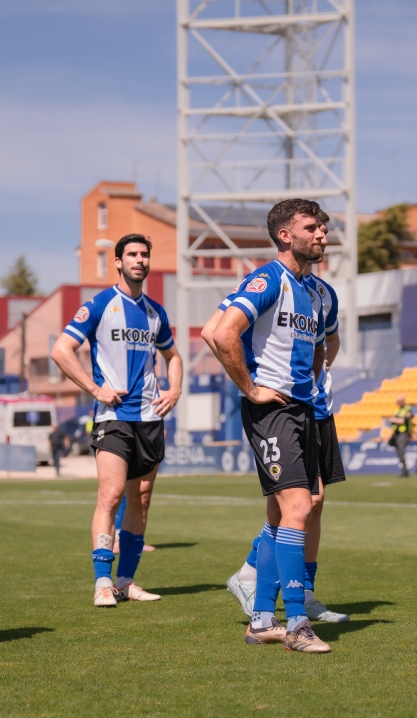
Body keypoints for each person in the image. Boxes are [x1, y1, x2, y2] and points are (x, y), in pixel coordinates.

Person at [209, 198, 332, 654]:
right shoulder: (269, 279)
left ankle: (262, 620)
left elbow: (319, 349)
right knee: (298, 507)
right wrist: (252, 387)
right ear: (286, 234)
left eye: (322, 226)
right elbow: (222, 334)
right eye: (311, 227)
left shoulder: (309, 289)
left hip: (301, 409)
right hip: (272, 410)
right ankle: (297, 623)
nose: (321, 233)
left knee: (291, 510)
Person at [50, 234, 182, 608]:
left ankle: (126, 580)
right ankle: (102, 581)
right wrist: (95, 388)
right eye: (132, 255)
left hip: (149, 418)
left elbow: (174, 356)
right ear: (119, 262)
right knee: (110, 496)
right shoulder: (100, 305)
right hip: (112, 417)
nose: (139, 260)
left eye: (144, 254)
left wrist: (175, 390)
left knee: (141, 498)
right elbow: (61, 350)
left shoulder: (156, 312)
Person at [387, 395, 414, 477]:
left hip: (403, 433)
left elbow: (404, 420)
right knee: (399, 452)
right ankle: (404, 470)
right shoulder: (398, 410)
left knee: (401, 451)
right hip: (396, 433)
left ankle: (405, 471)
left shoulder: (407, 409)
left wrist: (394, 420)